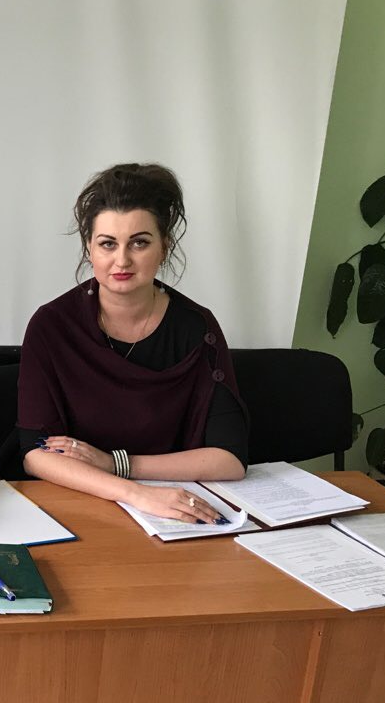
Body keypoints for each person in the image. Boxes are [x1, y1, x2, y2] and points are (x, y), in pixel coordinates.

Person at [18, 164, 247, 520]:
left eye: (139, 243)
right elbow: (35, 455)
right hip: (80, 504)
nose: (122, 260)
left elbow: (229, 459)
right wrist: (135, 494)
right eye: (107, 244)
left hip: (173, 507)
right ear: (89, 249)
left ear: (164, 247)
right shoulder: (52, 325)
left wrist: (117, 463)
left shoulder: (196, 326)